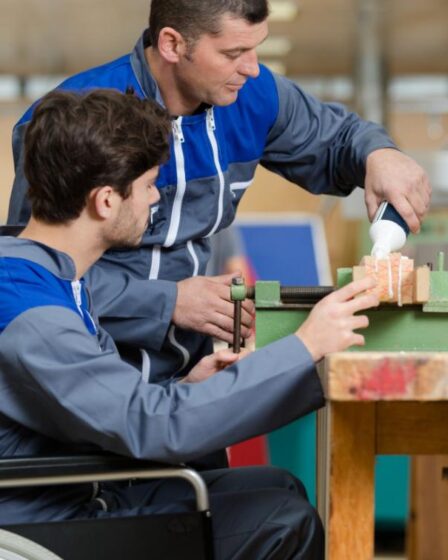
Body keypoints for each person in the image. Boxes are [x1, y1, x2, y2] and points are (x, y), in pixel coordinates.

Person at [0, 89, 379, 559]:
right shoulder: (27, 307)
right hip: (48, 520)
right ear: (105, 201)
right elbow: (152, 423)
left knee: (278, 485)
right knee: (284, 522)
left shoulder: (46, 274)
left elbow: (97, 403)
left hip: (76, 488)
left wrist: (187, 381)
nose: (155, 198)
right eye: (147, 186)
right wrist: (305, 346)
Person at [7, 0, 426, 392]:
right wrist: (167, 301)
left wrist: (379, 153)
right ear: (172, 43)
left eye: (256, 48)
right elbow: (38, 273)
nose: (253, 69)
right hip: (90, 384)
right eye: (232, 53)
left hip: (195, 382)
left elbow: (337, 137)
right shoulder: (72, 123)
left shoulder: (253, 98)